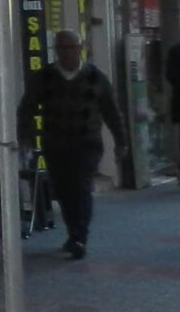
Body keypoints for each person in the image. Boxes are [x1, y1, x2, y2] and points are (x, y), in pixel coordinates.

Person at [19, 31, 132, 260]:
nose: (66, 53)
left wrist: (121, 141)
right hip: (55, 142)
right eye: (61, 48)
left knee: (80, 187)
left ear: (80, 49)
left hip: (86, 142)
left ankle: (80, 236)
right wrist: (26, 138)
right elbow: (27, 109)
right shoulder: (44, 77)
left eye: (70, 47)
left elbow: (112, 112)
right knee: (62, 190)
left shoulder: (95, 77)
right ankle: (73, 232)